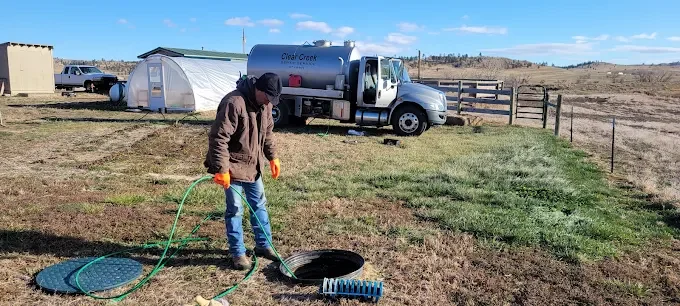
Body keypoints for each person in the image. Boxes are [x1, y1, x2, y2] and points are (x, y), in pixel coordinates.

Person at [204, 72, 282, 270]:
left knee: (259, 205)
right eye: (268, 97)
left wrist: (272, 157)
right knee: (235, 210)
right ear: (259, 89)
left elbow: (268, 134)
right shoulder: (234, 102)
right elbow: (218, 138)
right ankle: (238, 253)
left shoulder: (266, 106)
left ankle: (264, 245)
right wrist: (221, 169)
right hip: (233, 168)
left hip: (253, 167)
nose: (269, 102)